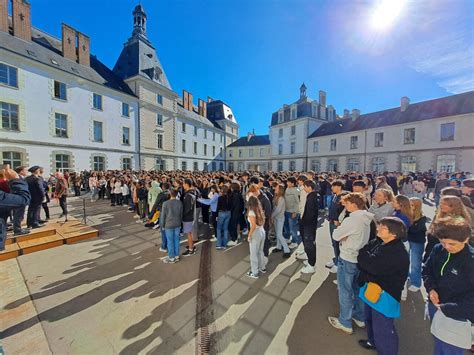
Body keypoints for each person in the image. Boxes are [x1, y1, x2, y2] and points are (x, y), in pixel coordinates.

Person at [357, 217, 410, 354]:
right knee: (369, 320)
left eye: (383, 227)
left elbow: (372, 266)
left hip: (385, 296)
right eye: (380, 225)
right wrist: (365, 261)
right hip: (371, 290)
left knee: (384, 330)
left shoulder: (398, 253)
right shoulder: (379, 241)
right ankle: (372, 341)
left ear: (394, 234)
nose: (378, 228)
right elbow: (363, 253)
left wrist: (364, 261)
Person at [422, 217, 473, 355]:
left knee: (449, 350)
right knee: (438, 343)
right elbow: (427, 270)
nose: (447, 247)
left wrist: (446, 308)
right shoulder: (438, 249)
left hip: (458, 317)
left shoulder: (471, 261)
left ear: (466, 239)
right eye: (443, 242)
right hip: (435, 306)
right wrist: (431, 288)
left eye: (452, 244)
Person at [328, 192, 374, 334]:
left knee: (345, 291)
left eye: (347, 203)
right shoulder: (367, 218)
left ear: (353, 205)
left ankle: (345, 321)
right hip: (360, 258)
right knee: (357, 289)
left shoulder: (351, 220)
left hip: (348, 258)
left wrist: (343, 235)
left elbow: (336, 235)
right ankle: (359, 317)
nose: (345, 205)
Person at [424, 195, 471, 262]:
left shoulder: (458, 222)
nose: (441, 205)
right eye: (441, 203)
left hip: (446, 253)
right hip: (433, 249)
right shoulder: (439, 215)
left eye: (445, 204)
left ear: (454, 206)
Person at [0, 165, 31, 251]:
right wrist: (14, 180)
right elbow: (23, 199)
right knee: (18, 215)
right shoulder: (13, 179)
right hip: (13, 201)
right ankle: (17, 229)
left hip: (8, 203)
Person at [406, 198, 427, 292]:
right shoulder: (407, 214)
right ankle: (407, 276)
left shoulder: (422, 218)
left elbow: (415, 230)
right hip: (407, 240)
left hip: (417, 242)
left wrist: (408, 226)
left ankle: (416, 283)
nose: (410, 206)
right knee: (405, 260)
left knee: (415, 263)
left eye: (412, 205)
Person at [299, 180, 319, 274]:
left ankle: (311, 265)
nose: (304, 188)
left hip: (308, 226)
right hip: (310, 225)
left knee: (309, 245)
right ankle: (311, 261)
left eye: (305, 186)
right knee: (309, 244)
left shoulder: (311, 198)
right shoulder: (313, 196)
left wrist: (303, 223)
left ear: (309, 187)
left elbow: (310, 214)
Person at [325, 180, 346, 271]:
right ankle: (336, 259)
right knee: (334, 243)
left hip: (338, 224)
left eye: (334, 186)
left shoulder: (343, 197)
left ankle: (338, 264)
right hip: (331, 221)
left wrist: (340, 221)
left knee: (337, 243)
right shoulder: (335, 196)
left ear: (340, 187)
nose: (332, 188)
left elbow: (345, 211)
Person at [160, 188, 183, 263]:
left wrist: (162, 225)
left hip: (168, 224)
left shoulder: (165, 203)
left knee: (170, 241)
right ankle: (176, 255)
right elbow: (181, 215)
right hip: (177, 223)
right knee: (176, 240)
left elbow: (163, 216)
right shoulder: (179, 202)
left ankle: (171, 257)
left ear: (170, 194)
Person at [246, 196, 266, 279]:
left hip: (256, 233)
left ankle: (255, 272)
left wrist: (249, 235)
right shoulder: (259, 210)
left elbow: (253, 225)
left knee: (253, 254)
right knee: (260, 251)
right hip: (262, 231)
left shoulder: (251, 212)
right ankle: (262, 267)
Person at [271, 183, 291, 258]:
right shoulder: (276, 197)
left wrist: (271, 216)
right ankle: (278, 247)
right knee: (277, 233)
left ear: (280, 190)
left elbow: (278, 210)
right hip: (276, 217)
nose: (275, 189)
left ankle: (287, 250)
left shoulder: (281, 198)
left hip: (280, 218)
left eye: (276, 188)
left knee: (279, 234)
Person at [12, 166, 30, 236]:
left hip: (21, 198)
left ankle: (19, 228)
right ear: (21, 171)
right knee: (18, 214)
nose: (27, 171)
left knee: (20, 214)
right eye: (25, 170)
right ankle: (17, 230)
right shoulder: (17, 178)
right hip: (19, 198)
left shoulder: (21, 178)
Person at [182, 178, 197, 256]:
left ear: (187, 184)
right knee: (190, 233)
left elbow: (187, 209)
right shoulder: (192, 192)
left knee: (189, 234)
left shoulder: (188, 195)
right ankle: (192, 246)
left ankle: (191, 249)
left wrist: (182, 215)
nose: (183, 185)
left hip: (188, 218)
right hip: (191, 217)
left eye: (183, 183)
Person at [284, 177, 300, 249]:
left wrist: (296, 212)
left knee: (293, 228)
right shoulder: (287, 189)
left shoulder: (296, 190)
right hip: (286, 211)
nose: (287, 183)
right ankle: (287, 238)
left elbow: (298, 202)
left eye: (288, 182)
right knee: (286, 227)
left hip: (292, 212)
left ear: (293, 183)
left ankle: (294, 242)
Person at [216, 185, 231, 250]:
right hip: (228, 213)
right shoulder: (230, 197)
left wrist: (216, 215)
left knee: (219, 228)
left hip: (221, 213)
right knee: (225, 228)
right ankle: (224, 244)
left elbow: (218, 207)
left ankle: (219, 244)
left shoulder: (220, 198)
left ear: (222, 190)